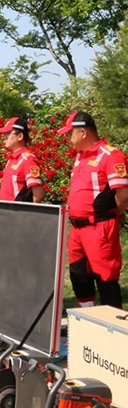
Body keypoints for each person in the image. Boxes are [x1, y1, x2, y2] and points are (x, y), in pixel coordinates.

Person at [57, 111, 128, 309]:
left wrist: (110, 215)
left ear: (83, 132)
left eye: (70, 133)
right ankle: (86, 318)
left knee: (105, 277)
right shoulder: (80, 156)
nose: (68, 138)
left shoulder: (111, 156)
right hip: (77, 230)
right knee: (79, 275)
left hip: (99, 228)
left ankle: (112, 322)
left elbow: (123, 195)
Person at [0, 117, 44, 202]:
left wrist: (24, 210)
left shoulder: (28, 160)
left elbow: (38, 194)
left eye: (8, 133)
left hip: (15, 210)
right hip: (3, 208)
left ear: (20, 136)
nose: (4, 136)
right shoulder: (12, 159)